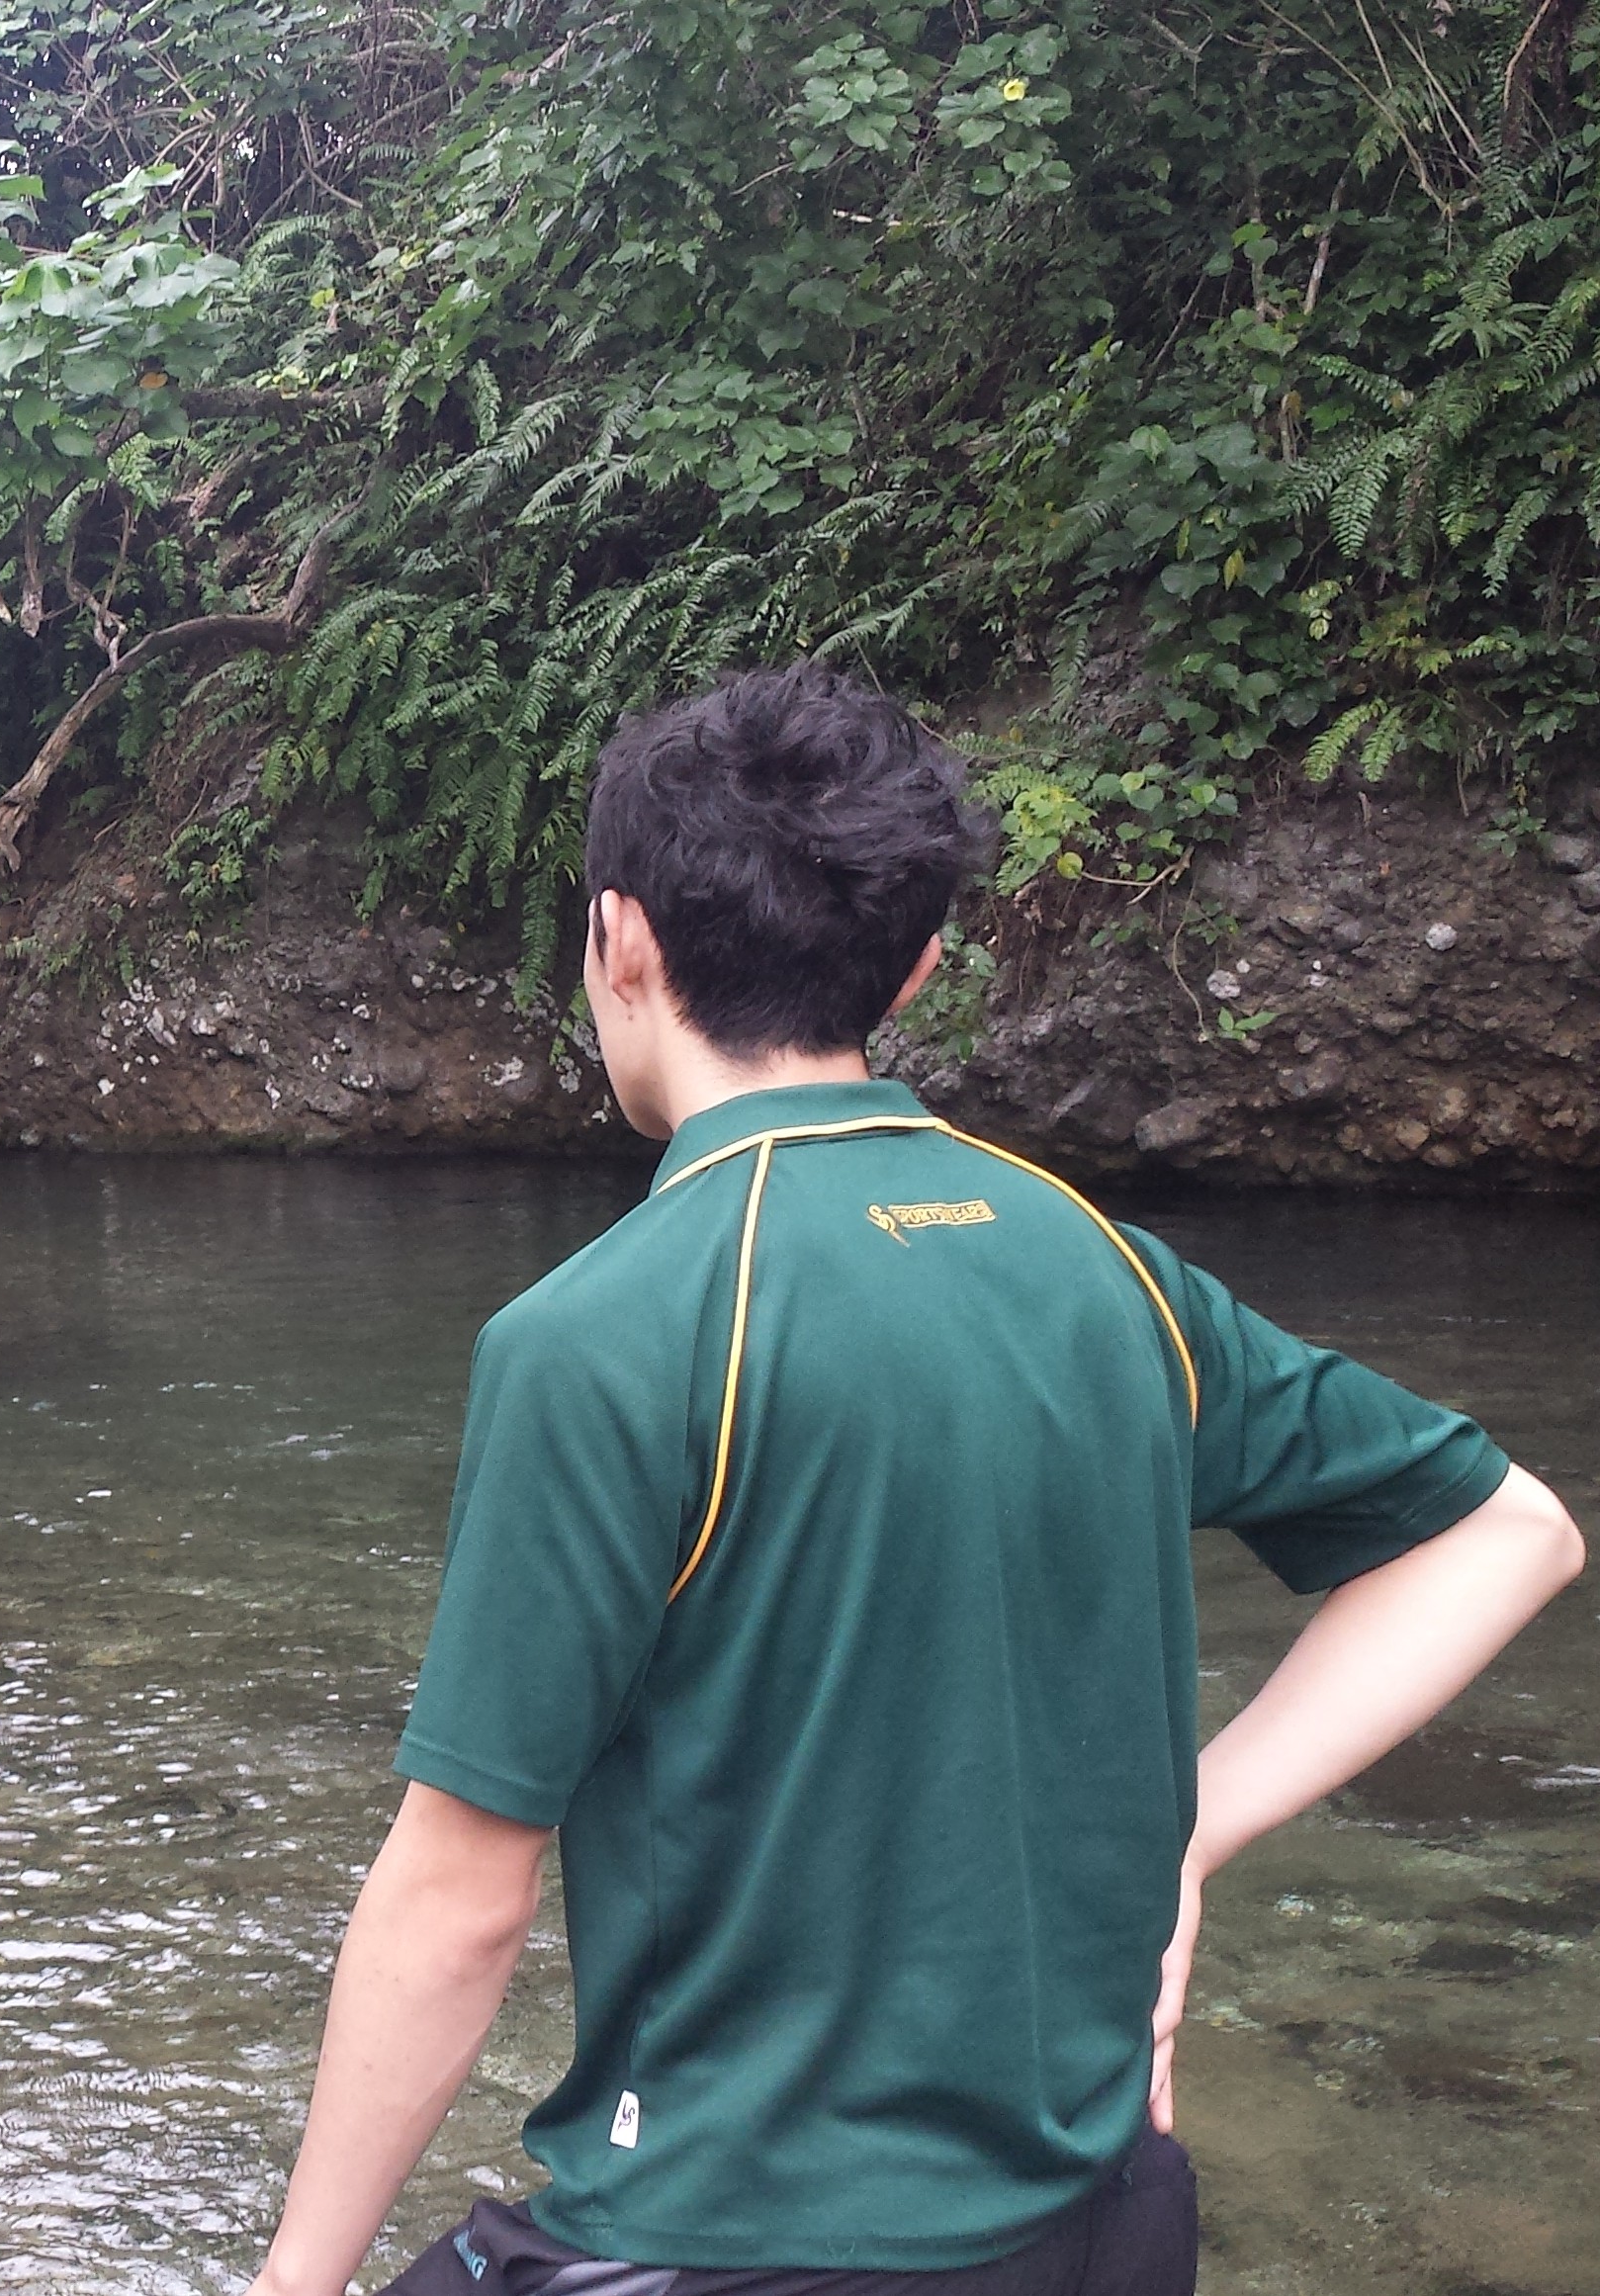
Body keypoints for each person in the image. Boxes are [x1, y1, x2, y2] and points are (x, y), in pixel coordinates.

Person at [234, 666, 1586, 2296]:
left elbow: (457, 1892)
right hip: (1103, 2213)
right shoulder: (1101, 1265)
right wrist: (1188, 1833)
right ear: (919, 960)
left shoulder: (599, 1332)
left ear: (618, 940)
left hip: (737, 2239)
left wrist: (288, 2279)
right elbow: (1505, 1529)